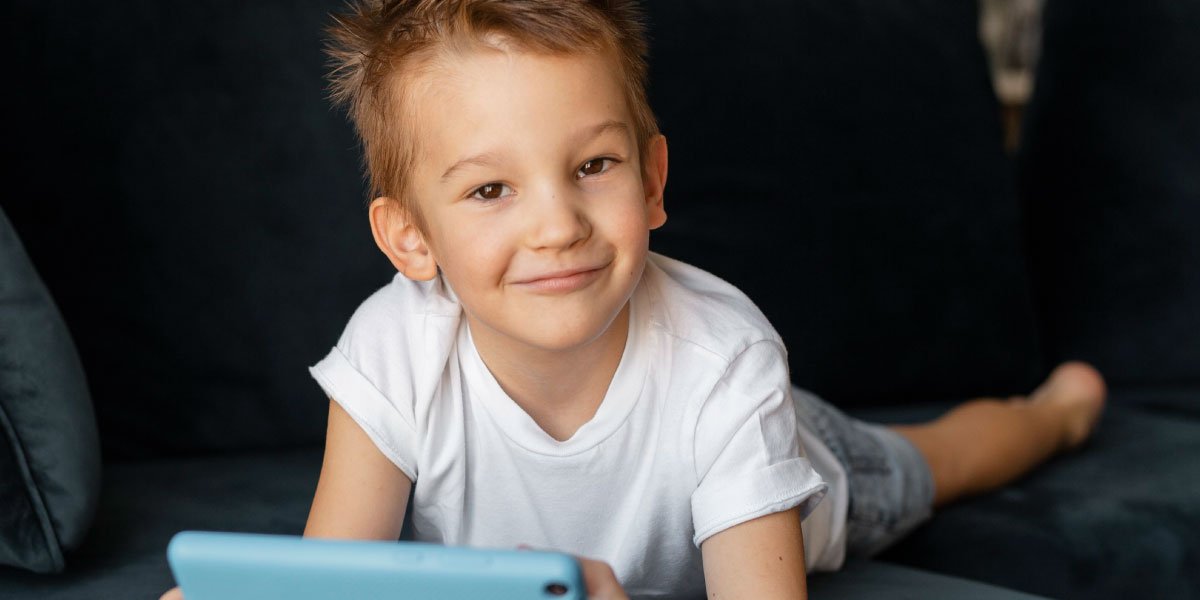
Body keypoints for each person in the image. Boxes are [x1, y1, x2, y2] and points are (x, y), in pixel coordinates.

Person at [162, 1, 1105, 598]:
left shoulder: (726, 359)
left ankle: (1051, 414)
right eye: (492, 190)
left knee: (928, 464)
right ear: (411, 237)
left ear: (652, 180)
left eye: (593, 166)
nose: (559, 225)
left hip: (791, 465)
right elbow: (339, 582)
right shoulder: (389, 356)